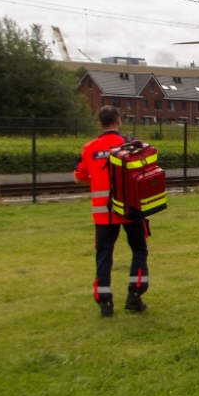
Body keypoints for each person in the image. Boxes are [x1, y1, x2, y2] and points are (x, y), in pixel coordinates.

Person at [72, 105, 149, 317]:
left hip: (103, 214)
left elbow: (78, 176)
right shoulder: (130, 144)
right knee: (139, 251)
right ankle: (134, 296)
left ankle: (105, 302)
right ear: (118, 120)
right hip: (129, 209)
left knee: (104, 256)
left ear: (100, 123)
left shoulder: (89, 148)